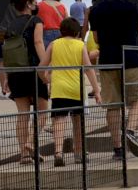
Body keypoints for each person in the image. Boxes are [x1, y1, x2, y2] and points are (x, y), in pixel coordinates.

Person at [87, 0, 138, 160]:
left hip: (107, 60)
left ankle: (118, 149)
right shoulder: (134, 2)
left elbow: (96, 38)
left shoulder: (97, 6)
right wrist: (135, 41)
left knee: (113, 105)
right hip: (131, 58)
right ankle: (130, 131)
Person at [41, 17, 100, 167]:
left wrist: (45, 79)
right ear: (77, 32)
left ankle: (58, 153)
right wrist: (97, 91)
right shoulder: (80, 45)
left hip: (59, 89)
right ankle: (79, 153)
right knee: (78, 121)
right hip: (76, 88)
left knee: (59, 120)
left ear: (61, 31)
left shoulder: (53, 44)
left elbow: (41, 67)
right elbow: (88, 69)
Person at [0, 0, 49, 164]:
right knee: (42, 111)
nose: (37, 4)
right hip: (34, 70)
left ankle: (24, 155)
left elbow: (8, 52)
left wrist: (7, 75)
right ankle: (31, 142)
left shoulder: (10, 24)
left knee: (23, 114)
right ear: (28, 4)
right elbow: (38, 43)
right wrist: (45, 66)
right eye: (35, 2)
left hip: (16, 72)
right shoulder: (36, 21)